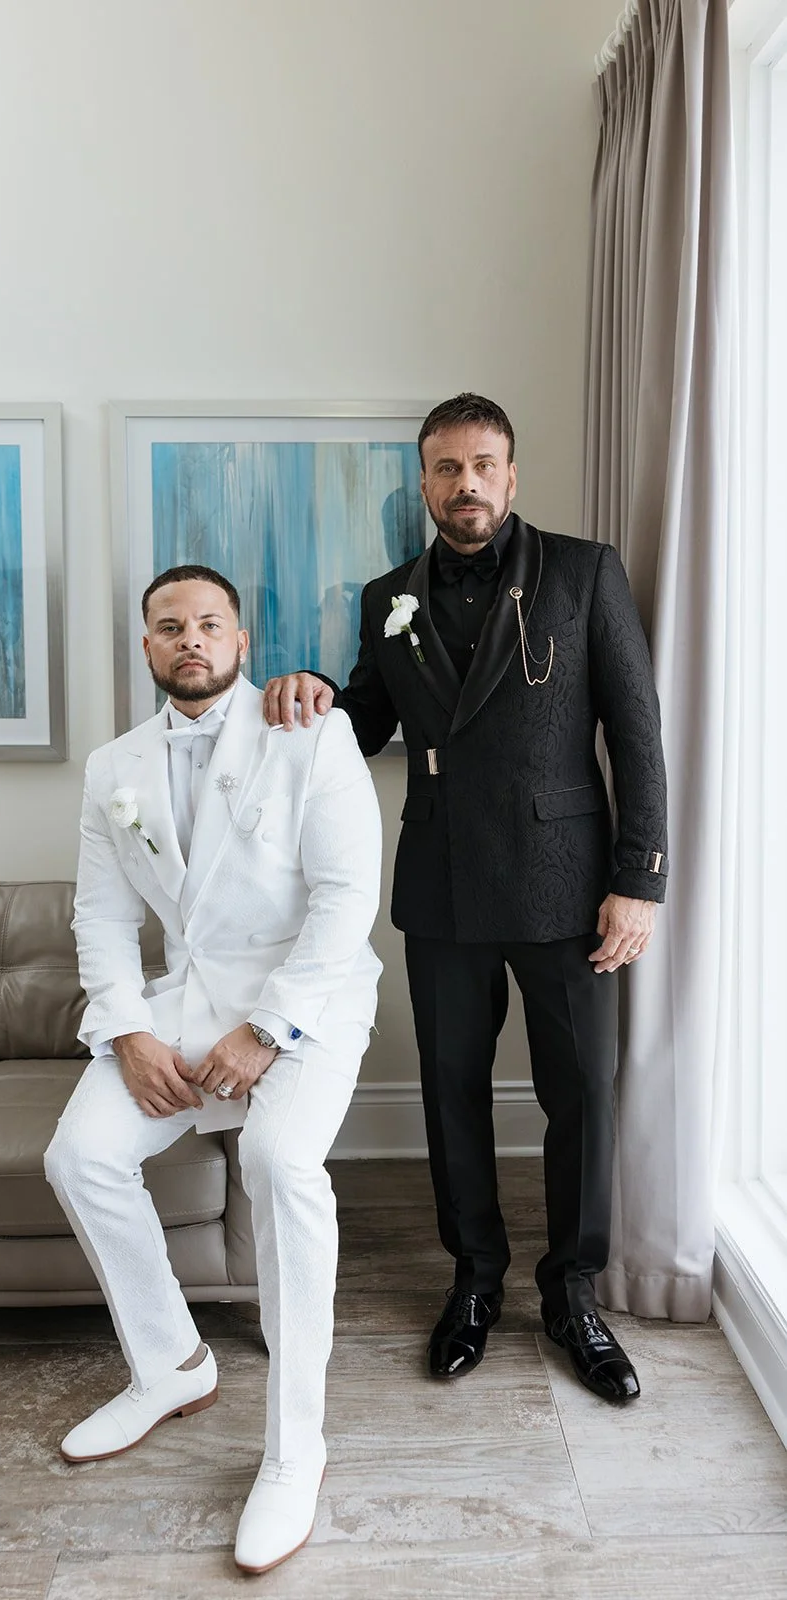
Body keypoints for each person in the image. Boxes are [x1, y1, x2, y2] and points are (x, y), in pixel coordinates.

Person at [263, 393, 667, 1405]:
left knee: (579, 1092)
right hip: (440, 888)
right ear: (424, 481)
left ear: (511, 474)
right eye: (445, 468)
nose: (465, 484)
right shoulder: (387, 594)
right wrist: (314, 693)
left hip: (567, 889)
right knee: (451, 1095)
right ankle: (474, 1278)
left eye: (482, 464)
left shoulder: (581, 574)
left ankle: (572, 1289)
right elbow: (364, 720)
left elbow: (635, 731)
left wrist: (637, 879)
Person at [45, 564, 382, 1575]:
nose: (188, 639)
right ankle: (171, 1364)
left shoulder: (313, 731)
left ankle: (294, 1447)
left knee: (279, 1163)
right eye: (167, 627)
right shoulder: (113, 766)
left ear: (240, 639)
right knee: (80, 1154)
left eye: (207, 623)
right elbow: (101, 918)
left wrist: (266, 1031)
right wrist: (124, 1031)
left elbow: (343, 900)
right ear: (145, 647)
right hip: (179, 1007)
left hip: (307, 1003)